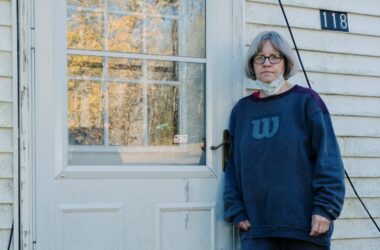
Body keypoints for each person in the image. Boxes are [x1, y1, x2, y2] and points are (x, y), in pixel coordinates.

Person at [223, 31, 345, 250]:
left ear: (285, 62)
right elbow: (232, 166)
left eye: (275, 56)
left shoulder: (307, 102)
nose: (267, 63)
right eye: (260, 57)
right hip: (257, 230)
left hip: (305, 228)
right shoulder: (242, 110)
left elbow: (329, 160)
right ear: (253, 64)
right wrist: (235, 209)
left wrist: (326, 209)